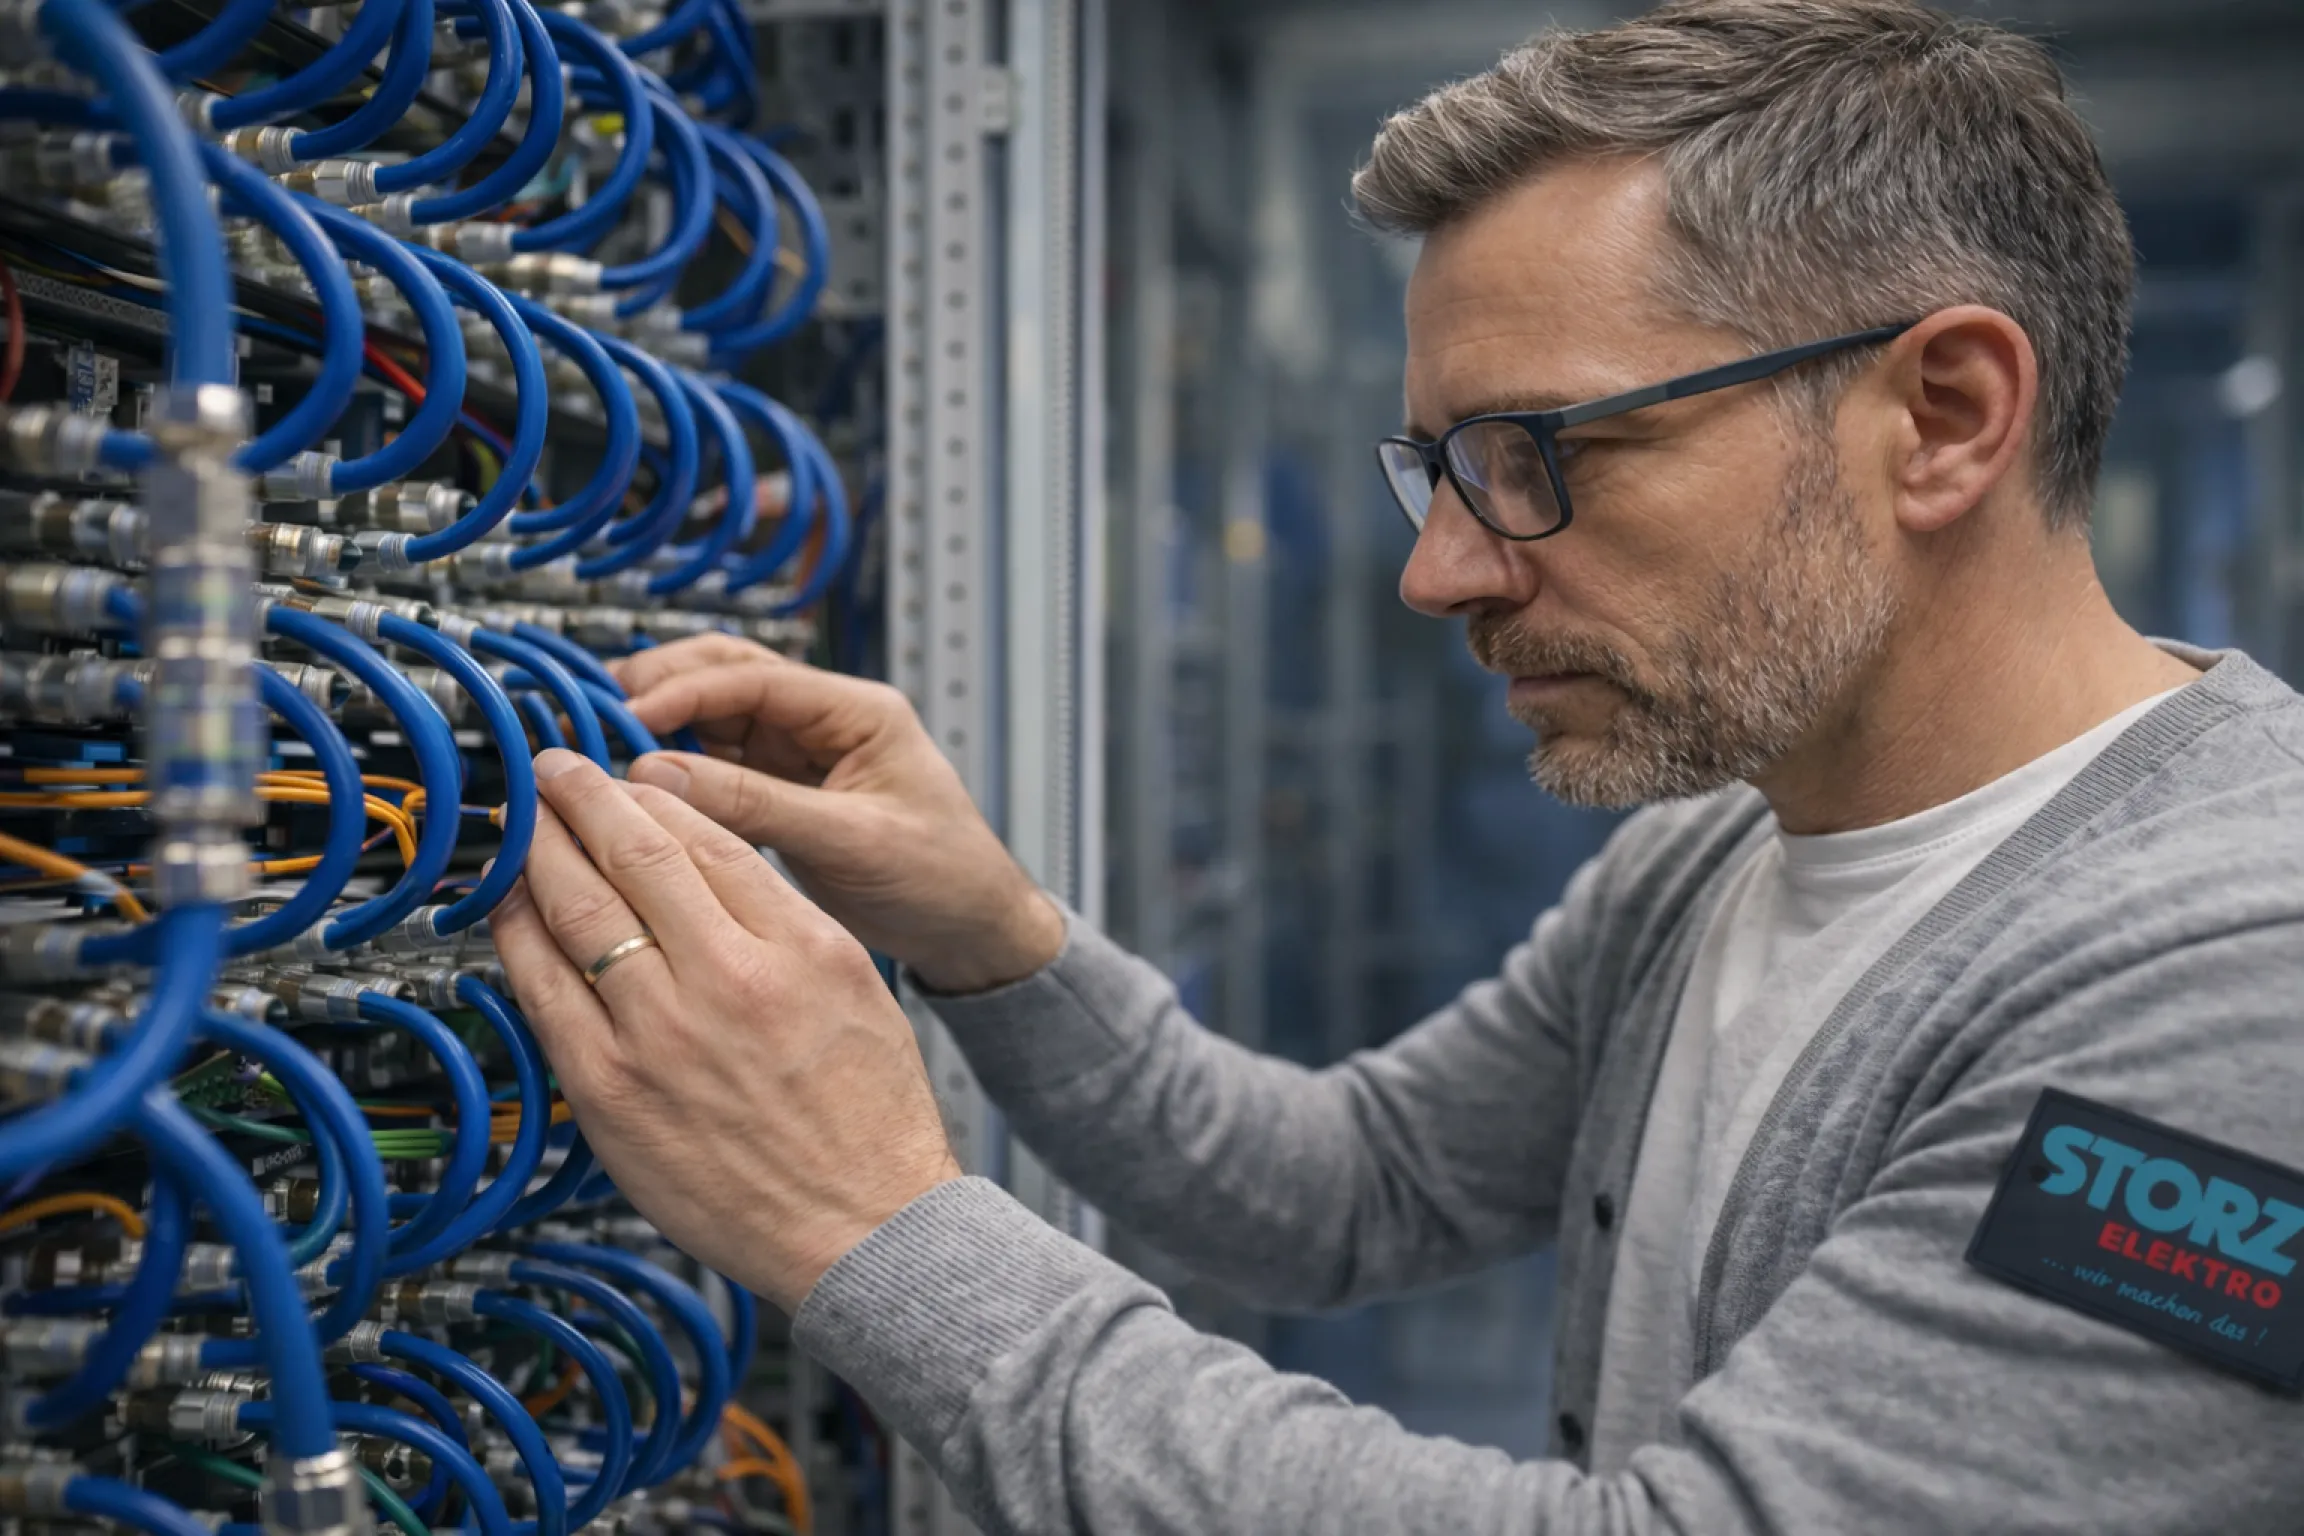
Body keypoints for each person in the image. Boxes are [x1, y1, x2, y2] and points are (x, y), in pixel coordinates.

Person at [488, 0, 2304, 1530]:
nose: (1442, 569)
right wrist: (993, 937)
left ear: (1945, 417)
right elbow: (1351, 1187)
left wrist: (867, 1226)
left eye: (1536, 453)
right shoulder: (1729, 847)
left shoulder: (2234, 986)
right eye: (1438, 468)